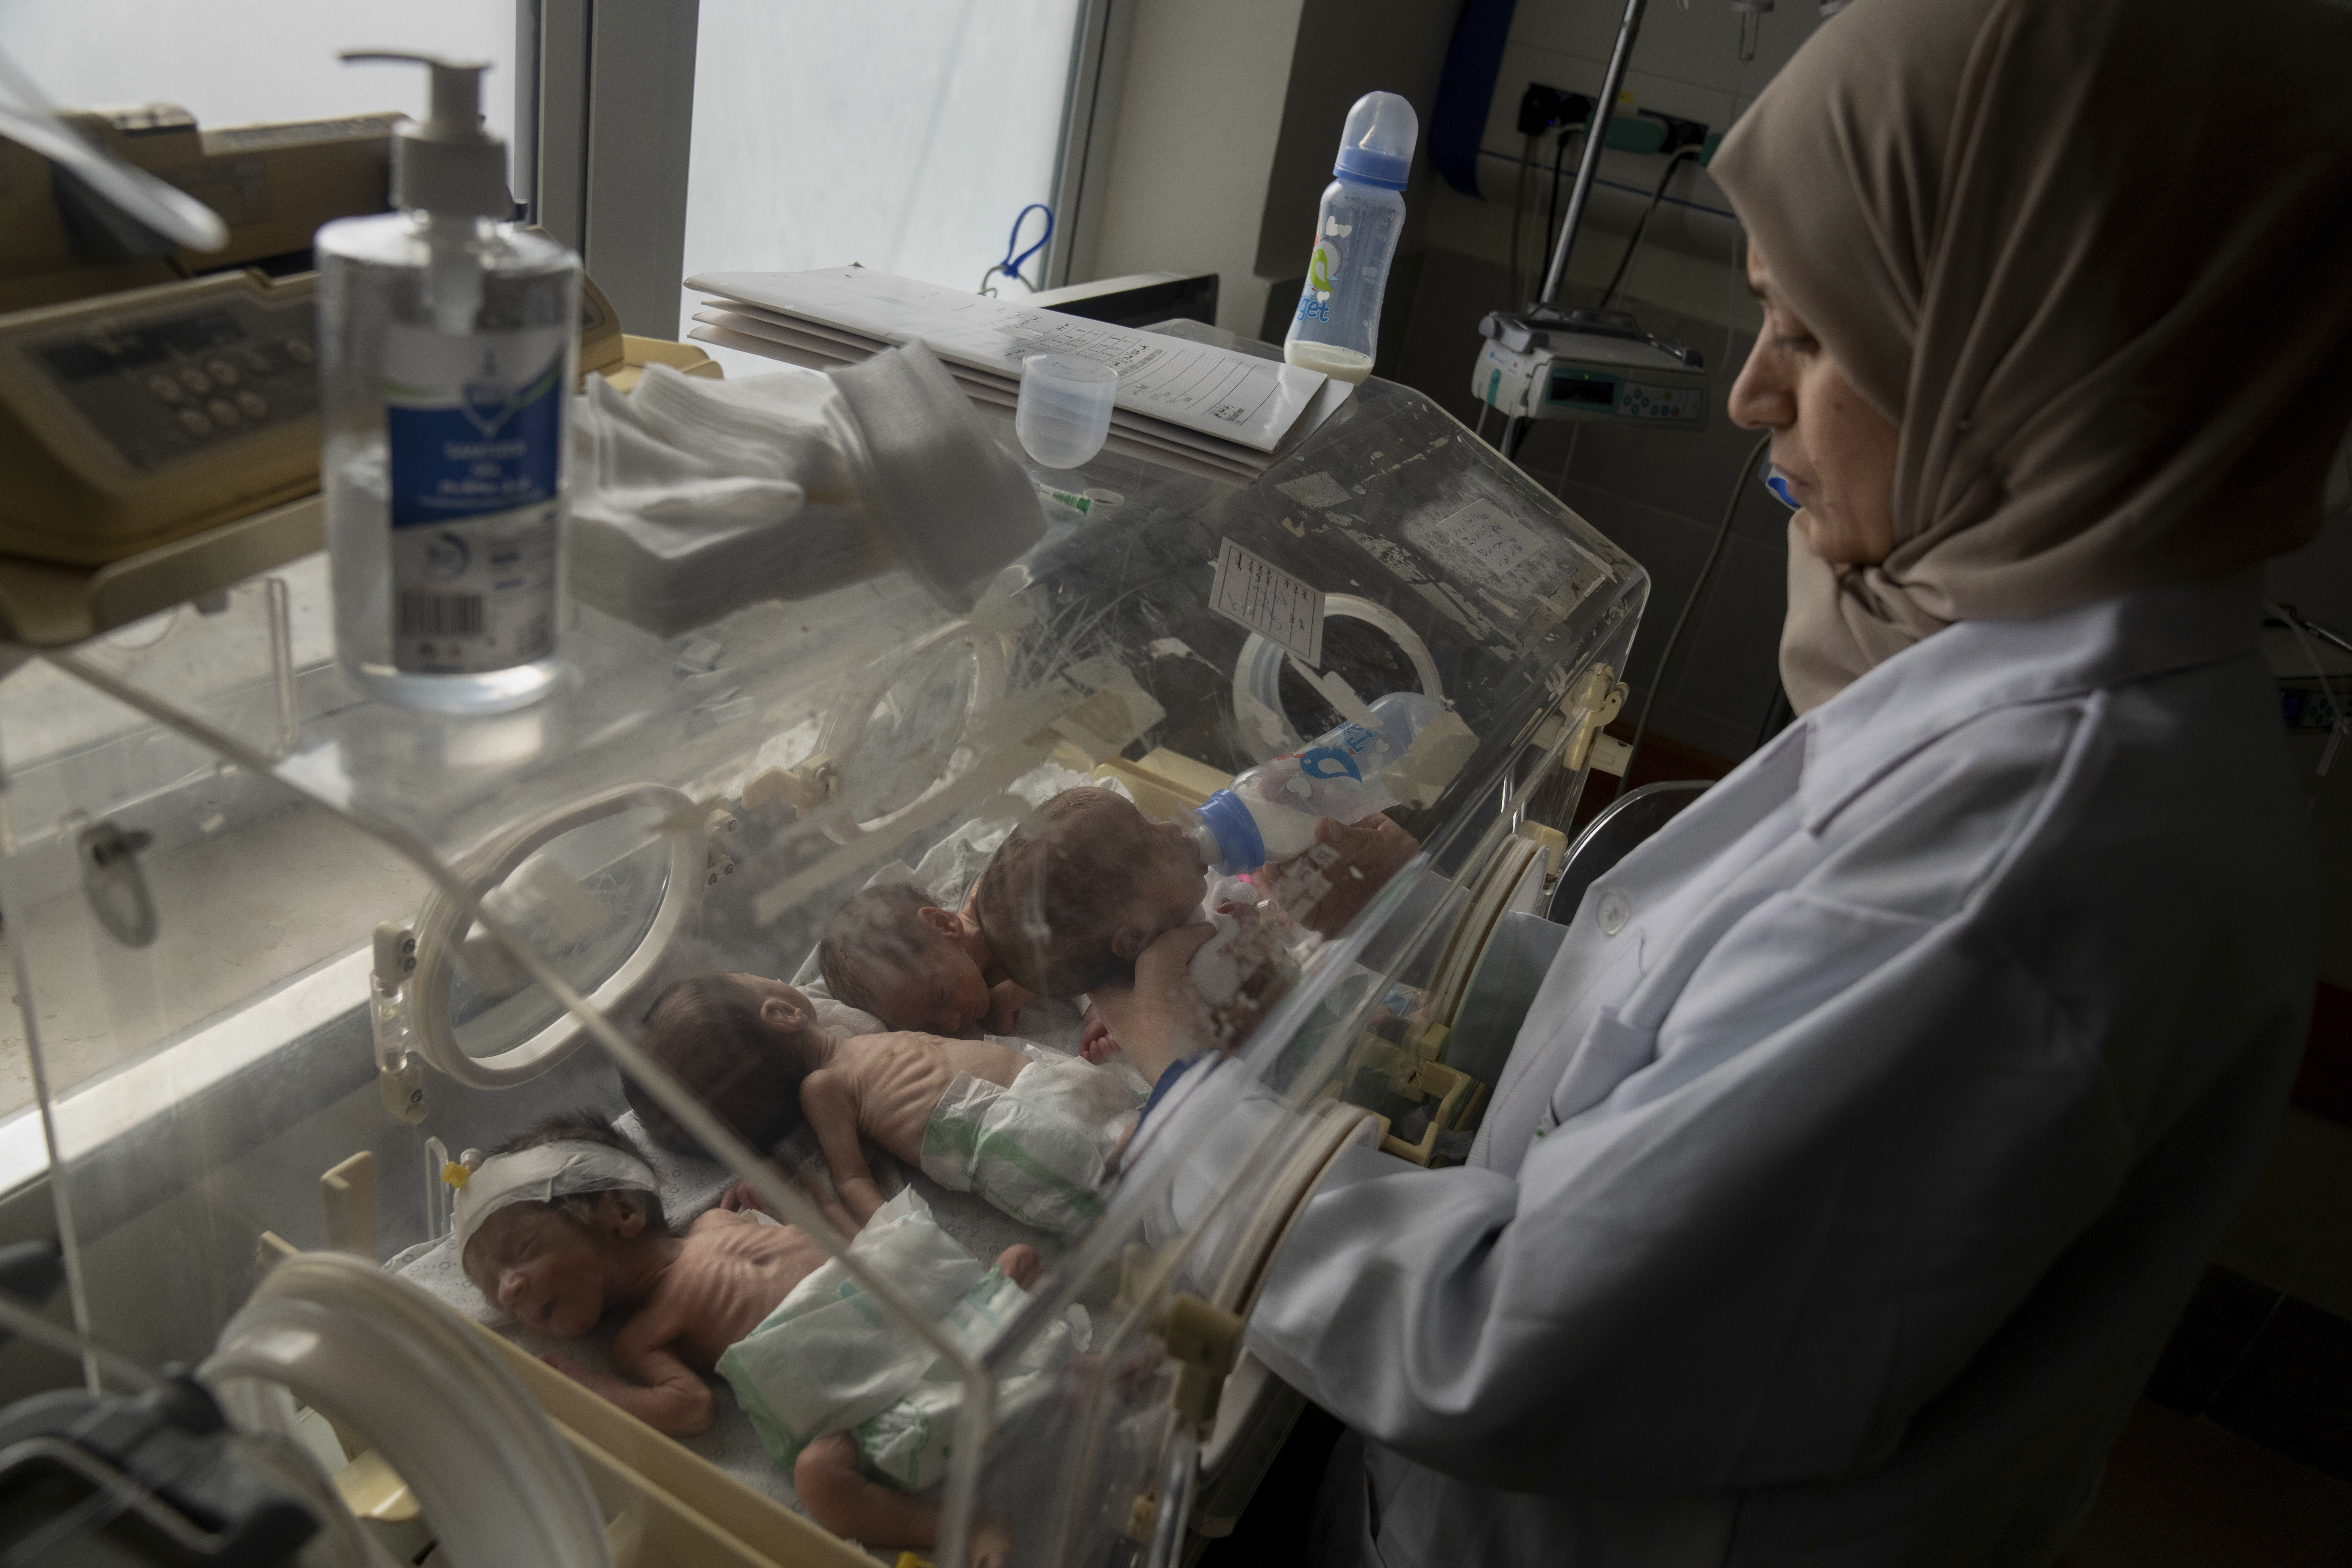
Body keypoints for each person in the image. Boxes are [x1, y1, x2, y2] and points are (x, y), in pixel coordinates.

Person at [1104, 0, 2352, 1561]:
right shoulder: (2034, 680)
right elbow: (1720, 1062)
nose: (1755, 394)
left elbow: (1530, 1335)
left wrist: (1173, 1100)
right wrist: (1466, 958)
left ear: (2043, 358)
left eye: (1812, 334)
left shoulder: (2028, 859)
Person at [631, 972, 1159, 1235]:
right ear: (782, 1015)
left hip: (1036, 1082)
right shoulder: (826, 1088)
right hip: (993, 1131)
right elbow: (853, 1179)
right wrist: (890, 1237)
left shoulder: (859, 1041)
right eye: (753, 979)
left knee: (1140, 1123)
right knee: (1119, 1175)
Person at [816, 880, 1034, 1037]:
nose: (952, 1025)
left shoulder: (1002, 898)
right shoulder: (975, 976)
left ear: (942, 924)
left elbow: (1067, 959)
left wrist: (1008, 997)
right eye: (929, 1029)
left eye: (940, 996)